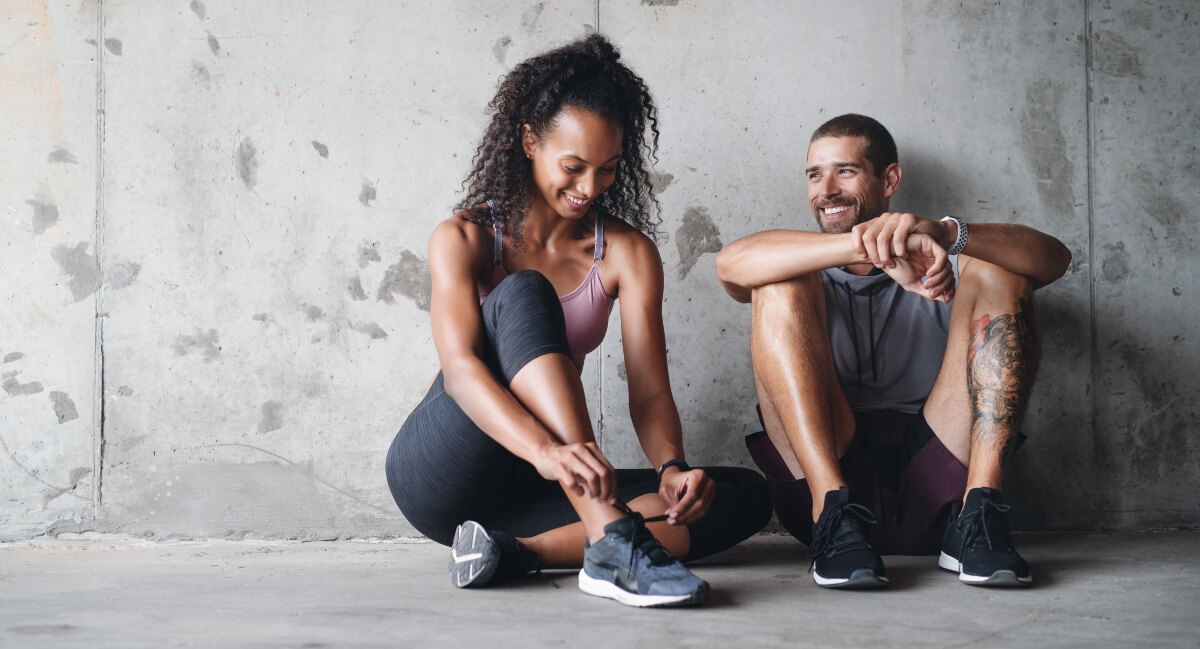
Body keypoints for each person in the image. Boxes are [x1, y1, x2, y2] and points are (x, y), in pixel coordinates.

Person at [385, 34, 771, 608]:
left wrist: (671, 466)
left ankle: (518, 550)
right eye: (573, 166)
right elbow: (462, 371)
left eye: (608, 169)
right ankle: (612, 539)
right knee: (525, 292)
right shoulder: (464, 238)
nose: (589, 188)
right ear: (528, 141)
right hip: (448, 464)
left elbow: (649, 390)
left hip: (540, 489)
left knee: (738, 493)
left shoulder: (627, 253)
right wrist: (545, 451)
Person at [715, 114, 1071, 589]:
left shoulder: (939, 256)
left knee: (998, 270)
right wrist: (862, 249)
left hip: (940, 485)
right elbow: (731, 265)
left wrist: (943, 234)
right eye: (814, 175)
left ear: (889, 179)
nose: (826, 189)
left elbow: (1054, 260)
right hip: (827, 479)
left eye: (845, 171)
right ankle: (833, 512)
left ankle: (981, 513)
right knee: (777, 283)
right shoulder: (800, 264)